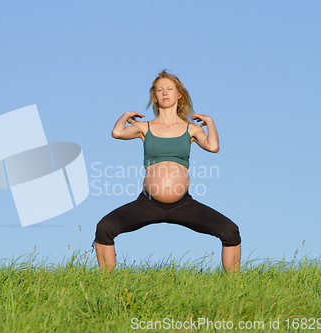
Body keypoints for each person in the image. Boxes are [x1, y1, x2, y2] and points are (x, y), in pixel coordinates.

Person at [94, 70, 241, 272]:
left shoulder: (191, 129)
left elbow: (213, 146)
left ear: (179, 94)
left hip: (184, 205)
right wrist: (126, 115)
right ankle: (105, 284)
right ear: (154, 97)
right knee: (105, 228)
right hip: (148, 203)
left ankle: (233, 288)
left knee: (230, 231)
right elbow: (117, 132)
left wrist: (210, 123)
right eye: (159, 90)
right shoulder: (144, 127)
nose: (165, 93)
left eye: (169, 89)